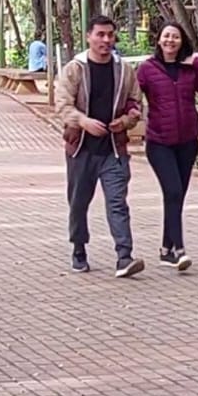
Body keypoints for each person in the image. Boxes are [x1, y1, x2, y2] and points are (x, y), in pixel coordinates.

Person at [55, 14, 145, 278]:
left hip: (113, 150)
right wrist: (83, 121)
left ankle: (124, 257)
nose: (106, 40)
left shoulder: (124, 69)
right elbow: (62, 105)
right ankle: (79, 249)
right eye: (100, 35)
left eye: (110, 35)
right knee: (79, 202)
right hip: (81, 149)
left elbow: (135, 102)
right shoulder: (75, 68)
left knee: (117, 202)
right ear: (89, 37)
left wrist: (126, 120)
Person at [136, 21, 198, 272]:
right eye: (166, 36)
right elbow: (132, 95)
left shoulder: (189, 68)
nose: (170, 41)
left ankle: (164, 250)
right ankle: (179, 250)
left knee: (177, 195)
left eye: (176, 37)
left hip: (187, 141)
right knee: (172, 191)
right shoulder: (147, 69)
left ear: (182, 41)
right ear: (159, 40)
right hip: (159, 142)